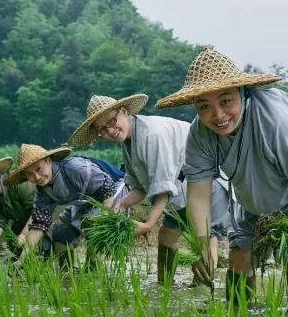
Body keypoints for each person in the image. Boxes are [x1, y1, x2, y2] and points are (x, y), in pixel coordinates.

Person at [155, 46, 288, 315]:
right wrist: (204, 247)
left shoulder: (276, 119)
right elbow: (198, 194)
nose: (218, 115)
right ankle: (238, 310)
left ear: (242, 93)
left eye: (225, 101)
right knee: (239, 255)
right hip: (254, 187)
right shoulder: (200, 134)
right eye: (204, 106)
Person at [67, 94, 232, 284]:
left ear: (123, 111)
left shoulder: (152, 134)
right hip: (182, 191)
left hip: (209, 184)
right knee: (167, 236)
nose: (110, 130)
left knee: (205, 239)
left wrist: (147, 225)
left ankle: (205, 293)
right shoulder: (129, 142)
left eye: (112, 121)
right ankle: (164, 286)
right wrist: (121, 205)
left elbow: (162, 188)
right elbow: (139, 187)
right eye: (102, 129)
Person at [5, 144, 127, 269]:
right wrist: (21, 261)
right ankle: (67, 273)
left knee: (92, 225)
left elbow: (108, 187)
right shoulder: (43, 192)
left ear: (48, 161)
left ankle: (93, 268)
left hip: (113, 192)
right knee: (60, 231)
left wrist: (103, 219)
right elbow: (38, 225)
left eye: (38, 169)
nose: (36, 177)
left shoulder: (75, 168)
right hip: (84, 201)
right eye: (29, 174)